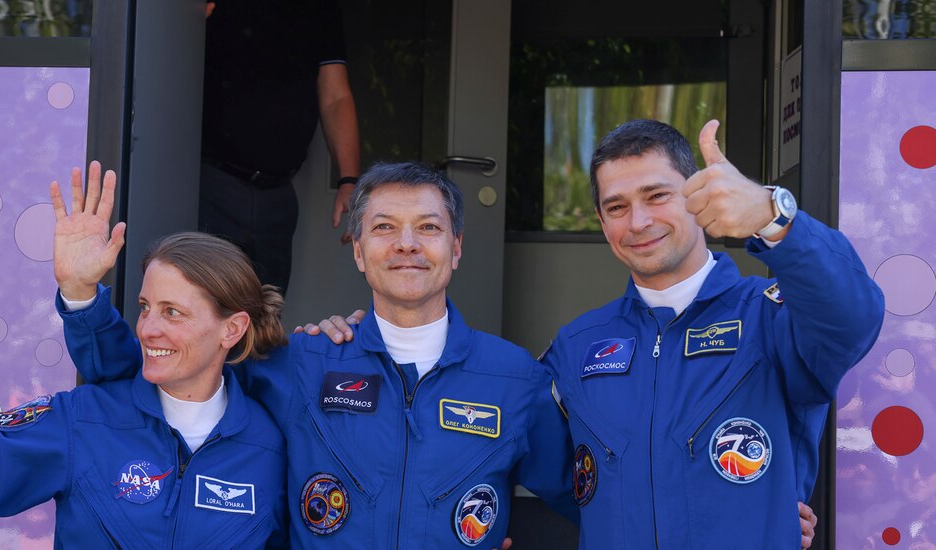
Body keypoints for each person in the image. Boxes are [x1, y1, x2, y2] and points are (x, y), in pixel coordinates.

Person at [55, 162, 578, 548]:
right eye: (383, 227)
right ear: (357, 250)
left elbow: (594, 502)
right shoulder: (300, 363)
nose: (407, 244)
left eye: (429, 227)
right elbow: (154, 371)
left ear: (457, 247)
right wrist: (82, 299)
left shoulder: (514, 379)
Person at [0, 163, 289, 548]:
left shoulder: (271, 446)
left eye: (173, 312)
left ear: (231, 329)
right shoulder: (82, 420)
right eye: (145, 308)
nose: (148, 328)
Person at [535, 119, 882, 547]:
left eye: (657, 196)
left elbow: (853, 316)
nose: (638, 221)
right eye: (617, 206)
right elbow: (546, 468)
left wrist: (771, 215)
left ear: (698, 197)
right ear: (603, 224)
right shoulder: (576, 345)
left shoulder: (771, 316)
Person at [198, 0, 361, 293]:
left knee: (265, 319)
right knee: (207, 308)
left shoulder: (319, 9)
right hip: (213, 184)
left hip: (279, 195)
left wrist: (348, 180)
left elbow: (336, 96)